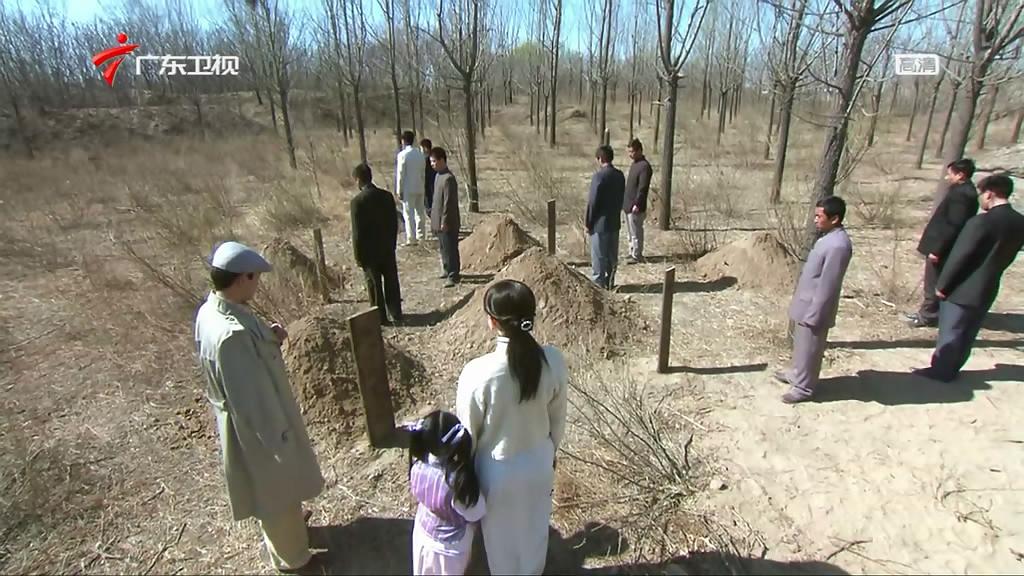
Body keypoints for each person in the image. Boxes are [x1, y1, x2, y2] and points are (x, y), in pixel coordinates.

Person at [194, 241, 324, 573]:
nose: (258, 284)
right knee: (274, 486)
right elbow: (251, 399)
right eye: (255, 277)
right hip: (260, 425)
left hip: (252, 416)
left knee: (277, 487)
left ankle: (290, 532)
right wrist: (277, 436)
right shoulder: (231, 336)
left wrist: (268, 337)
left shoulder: (213, 310)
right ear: (242, 279)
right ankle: (295, 561)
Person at [456, 280, 569, 575]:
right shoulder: (553, 360)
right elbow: (557, 421)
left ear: (493, 322)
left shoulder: (477, 372)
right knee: (535, 533)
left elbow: (468, 436)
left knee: (501, 547)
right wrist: (549, 452)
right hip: (540, 463)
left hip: (496, 472)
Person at [915, 174, 1024, 382]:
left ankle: (941, 372)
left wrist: (943, 285)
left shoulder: (980, 222)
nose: (980, 198)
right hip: (989, 285)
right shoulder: (1019, 222)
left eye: (982, 194)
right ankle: (954, 367)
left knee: (951, 331)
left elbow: (960, 257)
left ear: (990, 193)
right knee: (968, 332)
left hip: (962, 288)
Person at [775, 197, 854, 404]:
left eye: (819, 216)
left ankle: (804, 388)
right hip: (806, 302)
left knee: (810, 349)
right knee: (802, 346)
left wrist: (816, 313)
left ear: (834, 219)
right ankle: (797, 374)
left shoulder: (838, 245)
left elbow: (828, 284)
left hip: (815, 308)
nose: (815, 220)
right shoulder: (828, 238)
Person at [402, 410, 486, 576]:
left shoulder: (417, 467)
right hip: (449, 550)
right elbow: (477, 513)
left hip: (422, 534)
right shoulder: (457, 484)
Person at [907, 159, 978, 328]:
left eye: (950, 174)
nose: (947, 177)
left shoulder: (962, 195)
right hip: (945, 246)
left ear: (961, 175)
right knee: (935, 281)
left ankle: (928, 316)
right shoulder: (963, 191)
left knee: (933, 282)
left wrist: (937, 250)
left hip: (943, 248)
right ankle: (928, 312)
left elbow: (953, 225)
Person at [351, 163, 403, 324]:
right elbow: (394, 223)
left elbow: (357, 232)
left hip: (369, 252)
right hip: (387, 247)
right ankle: (396, 312)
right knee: (391, 281)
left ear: (358, 180)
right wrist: (392, 243)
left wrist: (358, 256)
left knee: (374, 285)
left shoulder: (357, 202)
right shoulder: (386, 196)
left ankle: (380, 317)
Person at [585, 145, 625, 289]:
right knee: (611, 256)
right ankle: (610, 282)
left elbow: (593, 201)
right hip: (614, 221)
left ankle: (599, 286)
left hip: (599, 224)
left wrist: (588, 222)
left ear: (600, 159)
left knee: (599, 257)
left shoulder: (599, 177)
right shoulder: (619, 175)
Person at [430, 146, 461, 288]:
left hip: (448, 222)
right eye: (431, 162)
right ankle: (446, 268)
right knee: (443, 247)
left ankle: (453, 275)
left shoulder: (449, 179)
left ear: (442, 160)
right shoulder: (438, 176)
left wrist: (445, 221)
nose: (432, 164)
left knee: (450, 248)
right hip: (438, 219)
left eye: (434, 161)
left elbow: (448, 203)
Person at [623, 138, 652, 264]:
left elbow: (642, 188)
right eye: (629, 152)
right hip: (627, 205)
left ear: (639, 150)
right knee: (630, 232)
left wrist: (637, 203)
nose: (630, 154)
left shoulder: (644, 167)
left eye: (632, 152)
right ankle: (631, 252)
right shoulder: (634, 164)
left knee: (636, 231)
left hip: (636, 206)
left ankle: (637, 254)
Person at [397, 130, 427, 246]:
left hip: (408, 188)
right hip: (419, 186)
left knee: (409, 214)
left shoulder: (402, 155)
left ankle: (411, 238)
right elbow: (423, 172)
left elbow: (401, 174)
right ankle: (421, 236)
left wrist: (399, 190)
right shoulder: (420, 154)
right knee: (420, 212)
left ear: (403, 141)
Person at [421, 138, 437, 217]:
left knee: (430, 209)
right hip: (435, 185)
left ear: (425, 148)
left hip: (429, 188)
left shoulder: (426, 160)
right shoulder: (435, 158)